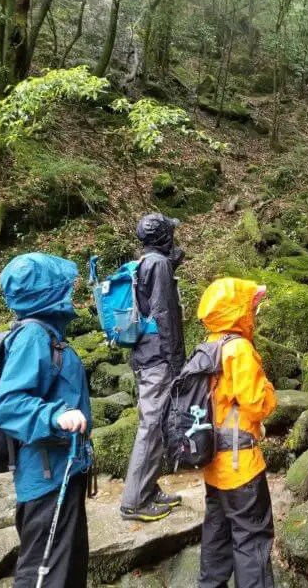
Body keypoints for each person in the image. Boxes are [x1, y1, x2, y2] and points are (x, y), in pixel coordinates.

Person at [0, 253, 93, 588]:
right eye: (64, 284)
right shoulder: (33, 337)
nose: (71, 289)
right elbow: (8, 404)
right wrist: (55, 415)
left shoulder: (50, 335)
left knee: (67, 572)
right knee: (44, 575)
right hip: (48, 478)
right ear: (48, 291)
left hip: (63, 470)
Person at [196, 278, 277, 588]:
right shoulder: (238, 350)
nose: (253, 311)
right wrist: (270, 390)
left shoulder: (209, 345)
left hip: (213, 461)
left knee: (216, 532)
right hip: (239, 464)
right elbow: (258, 404)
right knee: (252, 536)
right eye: (250, 306)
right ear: (237, 311)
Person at [120, 213, 187, 522]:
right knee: (152, 425)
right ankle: (135, 501)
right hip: (158, 357)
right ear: (163, 237)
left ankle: (147, 488)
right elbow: (163, 313)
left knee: (154, 422)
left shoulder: (148, 262)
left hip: (145, 354)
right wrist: (176, 361)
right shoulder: (157, 265)